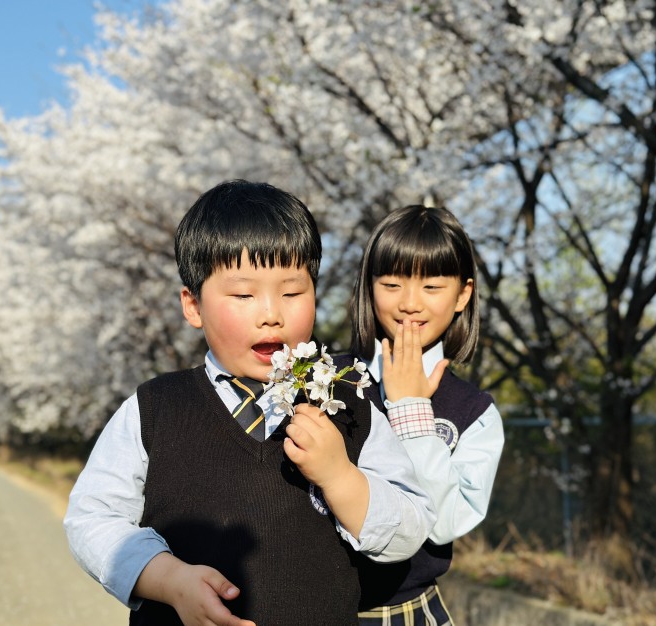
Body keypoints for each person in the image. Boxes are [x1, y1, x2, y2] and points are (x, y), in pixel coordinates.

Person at [64, 181, 437, 626]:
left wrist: (340, 477)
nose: (271, 313)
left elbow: (409, 530)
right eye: (243, 294)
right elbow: (92, 519)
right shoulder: (156, 409)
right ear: (193, 305)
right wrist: (169, 580)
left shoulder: (345, 402)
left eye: (293, 292)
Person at [340, 205, 504, 625]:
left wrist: (411, 411)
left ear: (462, 295)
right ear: (369, 286)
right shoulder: (328, 379)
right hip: (312, 608)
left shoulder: (474, 412)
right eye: (391, 283)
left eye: (431, 285)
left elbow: (444, 523)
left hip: (405, 613)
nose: (410, 303)